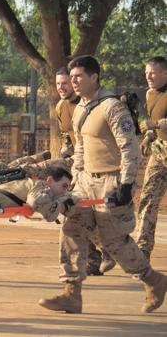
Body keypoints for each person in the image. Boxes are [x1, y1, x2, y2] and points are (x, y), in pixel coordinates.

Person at [39, 55, 167, 314]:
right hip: (86, 181)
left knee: (114, 242)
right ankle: (71, 293)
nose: (73, 82)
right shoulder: (80, 110)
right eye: (71, 77)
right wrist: (74, 183)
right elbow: (80, 151)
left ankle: (153, 280)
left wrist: (127, 184)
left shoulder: (112, 107)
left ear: (94, 77)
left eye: (78, 77)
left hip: (112, 180)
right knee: (71, 229)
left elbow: (129, 147)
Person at [55, 67, 115, 276]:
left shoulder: (95, 105)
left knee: (93, 213)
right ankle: (93, 258)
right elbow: (67, 135)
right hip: (76, 164)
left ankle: (109, 249)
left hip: (98, 166)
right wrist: (65, 151)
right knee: (73, 211)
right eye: (59, 83)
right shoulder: (61, 107)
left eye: (66, 83)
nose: (62, 87)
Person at [136, 56, 167, 261]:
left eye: (153, 73)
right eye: (146, 73)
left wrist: (157, 124)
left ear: (165, 73)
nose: (148, 76)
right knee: (147, 198)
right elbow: (150, 122)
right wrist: (148, 136)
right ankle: (142, 250)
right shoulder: (149, 94)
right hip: (159, 151)